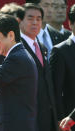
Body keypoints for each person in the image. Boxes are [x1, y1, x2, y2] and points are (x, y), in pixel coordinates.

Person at [19, 3, 58, 131]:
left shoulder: (42, 46)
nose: (35, 22)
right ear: (20, 21)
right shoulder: (15, 47)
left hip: (47, 116)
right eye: (30, 18)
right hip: (26, 118)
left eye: (38, 18)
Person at [50, 3, 75, 131]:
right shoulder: (60, 51)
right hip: (69, 122)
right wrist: (60, 120)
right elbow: (56, 90)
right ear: (70, 24)